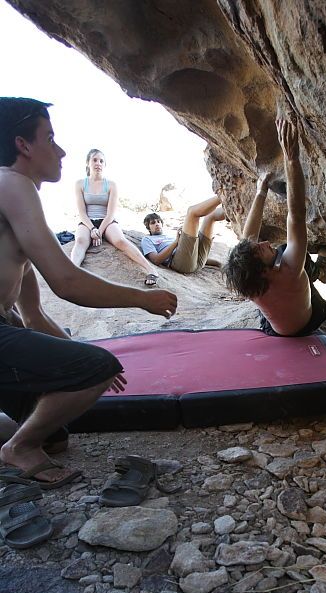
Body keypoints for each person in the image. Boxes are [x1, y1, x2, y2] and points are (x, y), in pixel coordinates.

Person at [0, 97, 177, 486]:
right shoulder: (11, 184)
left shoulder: (13, 202)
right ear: (23, 145)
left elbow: (34, 315)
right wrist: (141, 300)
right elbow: (67, 282)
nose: (61, 151)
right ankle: (18, 448)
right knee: (96, 366)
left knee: (57, 436)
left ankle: (21, 439)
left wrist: (78, 364)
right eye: (50, 138)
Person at [223, 118, 326, 337]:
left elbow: (247, 238)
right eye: (260, 249)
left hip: (275, 331)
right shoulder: (291, 272)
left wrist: (261, 191)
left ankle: (317, 269)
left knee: (278, 250)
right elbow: (297, 215)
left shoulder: (249, 284)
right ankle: (321, 269)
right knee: (296, 255)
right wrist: (292, 159)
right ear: (263, 270)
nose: (264, 242)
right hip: (309, 322)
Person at [71, 148, 160, 286]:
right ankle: (71, 272)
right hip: (88, 221)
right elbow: (82, 213)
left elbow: (110, 213)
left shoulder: (111, 185)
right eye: (94, 160)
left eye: (101, 161)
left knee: (120, 241)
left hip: (107, 221)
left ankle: (151, 270)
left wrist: (99, 231)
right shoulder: (80, 184)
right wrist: (92, 229)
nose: (98, 163)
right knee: (81, 241)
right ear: (87, 163)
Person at [141, 196, 225, 274]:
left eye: (158, 221)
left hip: (195, 262)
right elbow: (156, 260)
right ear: (148, 228)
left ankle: (234, 207)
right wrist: (176, 242)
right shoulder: (147, 239)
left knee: (210, 216)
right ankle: (222, 195)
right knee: (192, 212)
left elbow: (191, 254)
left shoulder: (168, 237)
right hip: (179, 264)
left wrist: (217, 263)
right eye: (153, 223)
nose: (157, 224)